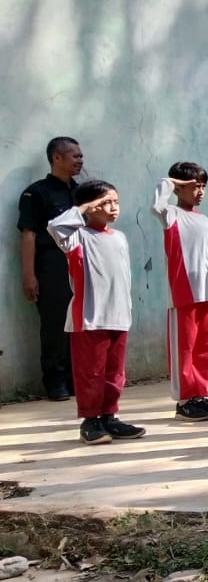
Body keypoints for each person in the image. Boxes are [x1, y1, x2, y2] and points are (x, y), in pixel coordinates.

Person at [48, 181, 144, 444]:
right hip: (89, 317)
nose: (113, 208)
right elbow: (55, 226)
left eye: (116, 202)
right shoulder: (77, 237)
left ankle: (109, 417)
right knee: (91, 372)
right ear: (88, 207)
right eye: (105, 203)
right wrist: (84, 208)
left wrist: (127, 308)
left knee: (114, 373)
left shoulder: (120, 238)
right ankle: (90, 421)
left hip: (119, 315)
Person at [152, 164, 208, 421]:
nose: (200, 192)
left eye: (203, 186)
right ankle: (185, 400)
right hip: (184, 291)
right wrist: (171, 182)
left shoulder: (203, 218)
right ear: (179, 187)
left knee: (205, 345)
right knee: (185, 346)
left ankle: (199, 394)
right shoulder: (170, 213)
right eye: (194, 186)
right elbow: (157, 204)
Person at [17, 136, 83, 400]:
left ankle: (79, 378)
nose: (80, 161)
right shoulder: (37, 193)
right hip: (52, 264)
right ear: (57, 157)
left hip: (79, 262)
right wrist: (29, 275)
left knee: (81, 322)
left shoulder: (81, 193)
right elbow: (29, 234)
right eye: (75, 156)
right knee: (56, 323)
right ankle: (56, 381)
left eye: (81, 156)